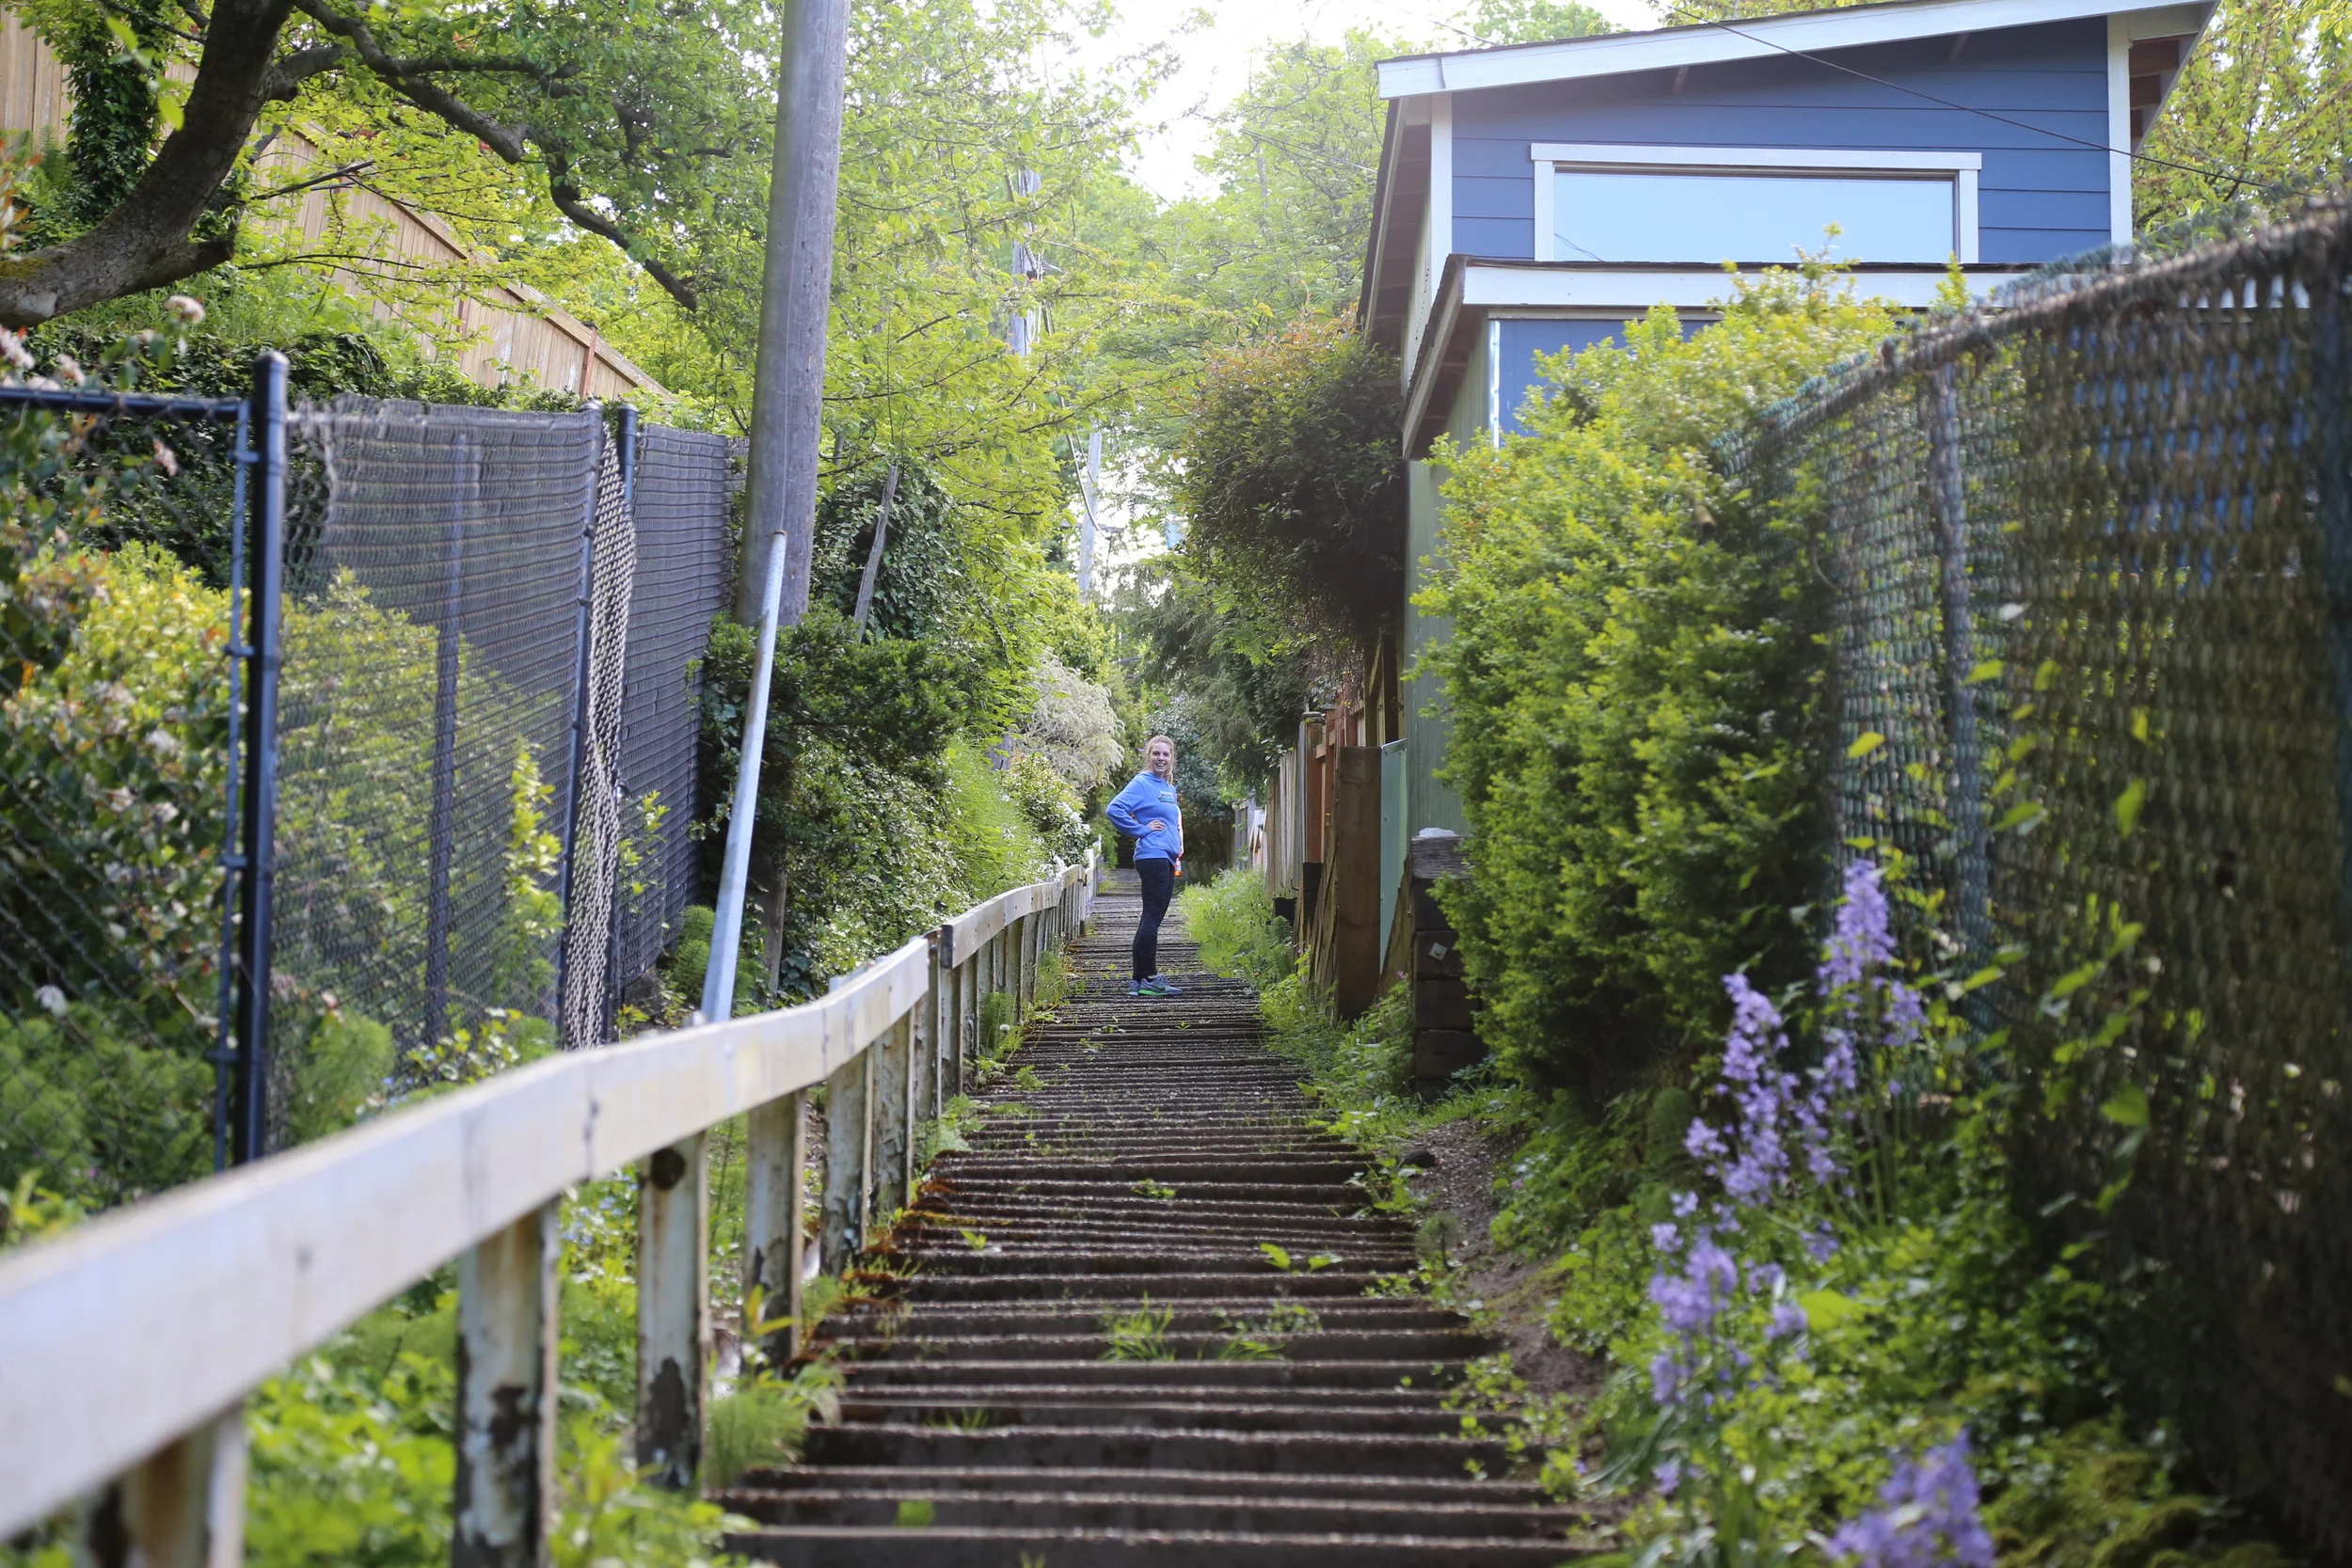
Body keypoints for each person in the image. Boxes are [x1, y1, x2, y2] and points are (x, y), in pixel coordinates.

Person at [1105, 735, 1184, 997]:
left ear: (1172, 758)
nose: (1161, 758)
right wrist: (1141, 830)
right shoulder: (1142, 783)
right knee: (1152, 917)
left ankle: (1138, 980)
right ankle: (1150, 977)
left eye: (1166, 754)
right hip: (1153, 856)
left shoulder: (1167, 788)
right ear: (1148, 756)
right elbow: (1114, 809)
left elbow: (1172, 823)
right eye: (1156, 754)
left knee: (1149, 918)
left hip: (1165, 856)